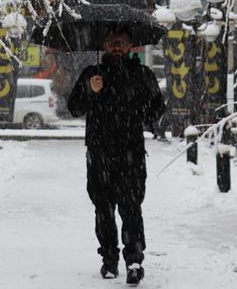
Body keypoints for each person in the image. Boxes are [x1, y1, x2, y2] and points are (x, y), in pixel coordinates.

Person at [67, 25, 166, 285]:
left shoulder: (142, 74)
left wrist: (141, 102)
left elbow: (156, 110)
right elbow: (74, 107)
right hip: (99, 154)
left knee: (131, 208)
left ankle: (134, 260)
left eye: (121, 41)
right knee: (103, 209)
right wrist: (89, 89)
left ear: (131, 44)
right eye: (111, 42)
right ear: (104, 45)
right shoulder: (92, 74)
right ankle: (109, 257)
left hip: (131, 154)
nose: (116, 47)